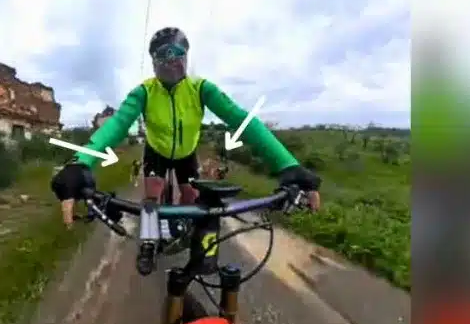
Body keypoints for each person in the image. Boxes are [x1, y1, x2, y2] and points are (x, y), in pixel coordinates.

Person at [50, 26, 322, 275]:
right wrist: (80, 163)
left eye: (179, 54)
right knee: (152, 198)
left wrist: (288, 165)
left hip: (186, 154)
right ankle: (148, 242)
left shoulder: (201, 89)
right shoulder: (144, 92)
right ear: (154, 60)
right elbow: (117, 125)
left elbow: (242, 120)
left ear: (187, 57)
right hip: (156, 152)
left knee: (191, 197)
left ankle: (182, 229)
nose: (173, 61)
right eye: (164, 55)